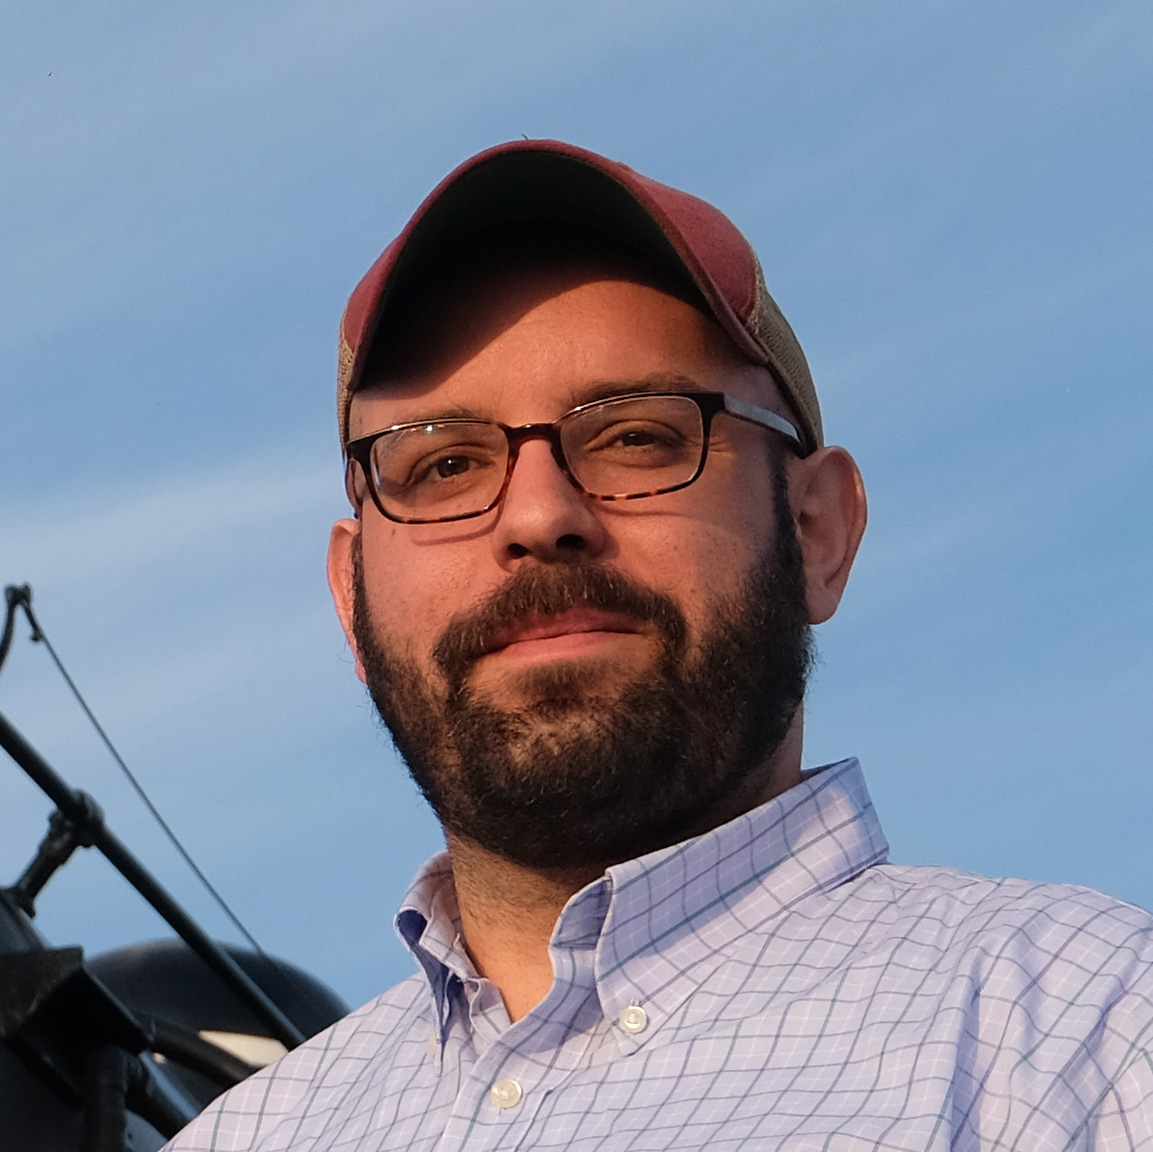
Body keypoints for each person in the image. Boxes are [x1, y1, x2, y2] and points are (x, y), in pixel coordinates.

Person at [164, 140, 1153, 1151]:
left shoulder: (1090, 1039)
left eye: (637, 436)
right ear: (351, 595)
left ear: (816, 530)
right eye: (444, 465)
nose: (538, 515)